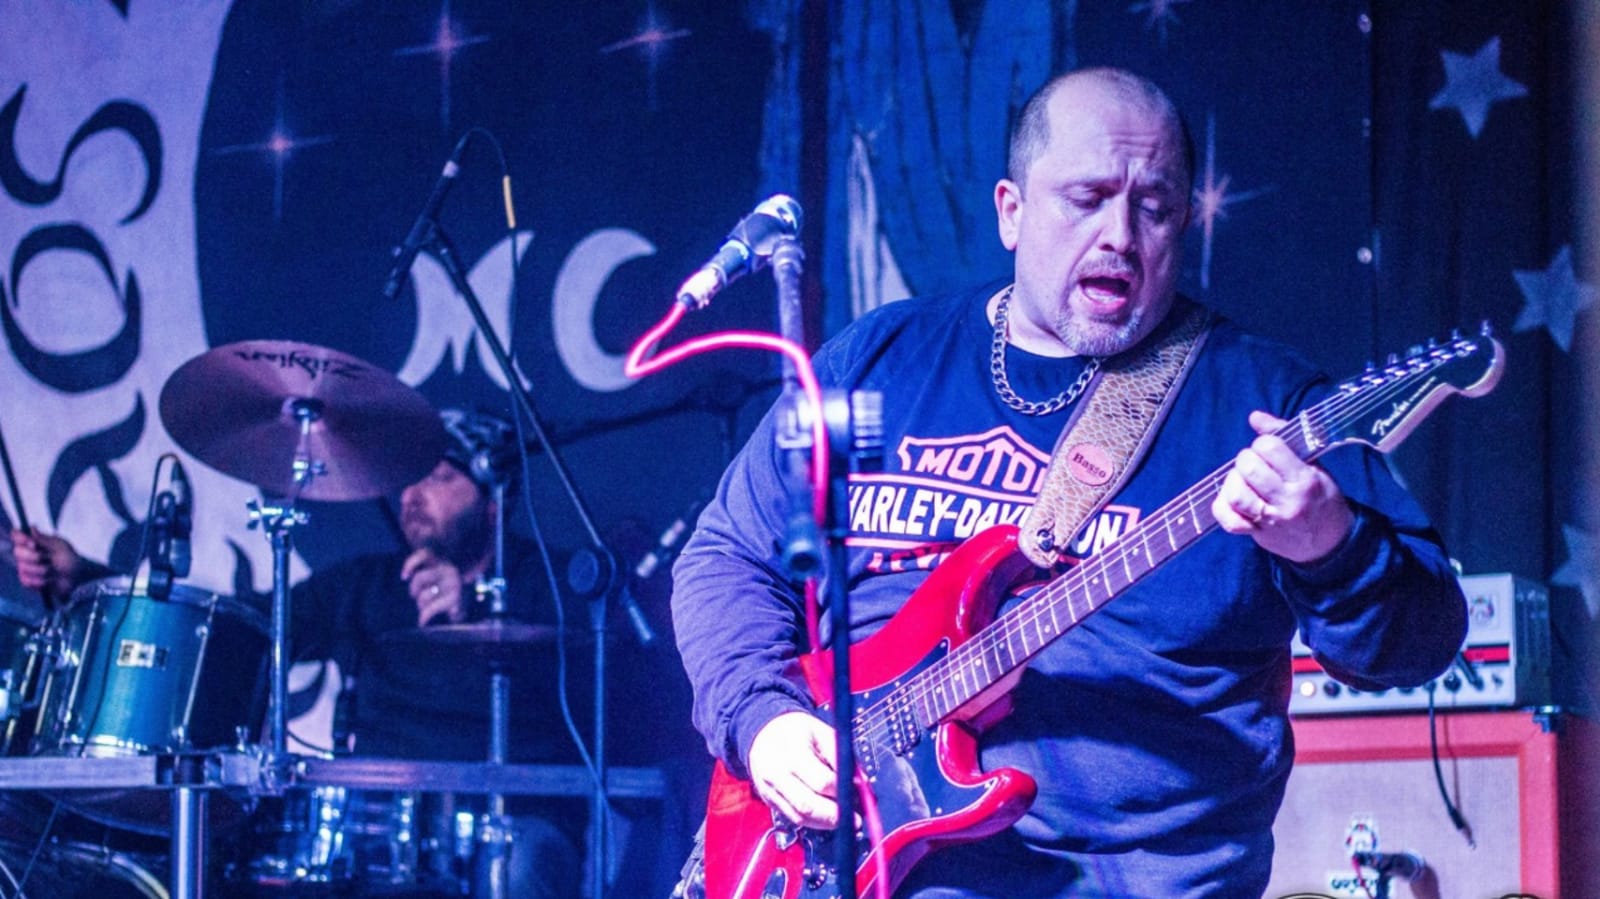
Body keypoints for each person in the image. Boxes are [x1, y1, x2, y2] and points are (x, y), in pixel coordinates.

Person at [670, 68, 1468, 898]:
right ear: (1011, 211)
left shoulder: (1262, 405)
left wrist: (1331, 548)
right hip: (834, 862)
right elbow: (729, 556)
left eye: (1154, 207)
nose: (1120, 234)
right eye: (1087, 199)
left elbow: (1423, 640)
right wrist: (763, 718)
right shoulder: (881, 363)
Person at [12, 408, 583, 899]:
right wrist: (86, 575)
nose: (414, 495)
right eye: (410, 479)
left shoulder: (551, 586)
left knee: (521, 863)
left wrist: (476, 614)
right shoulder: (369, 583)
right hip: (380, 820)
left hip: (509, 817)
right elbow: (244, 627)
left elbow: (592, 690)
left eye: (439, 477)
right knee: (238, 843)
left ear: (494, 502)